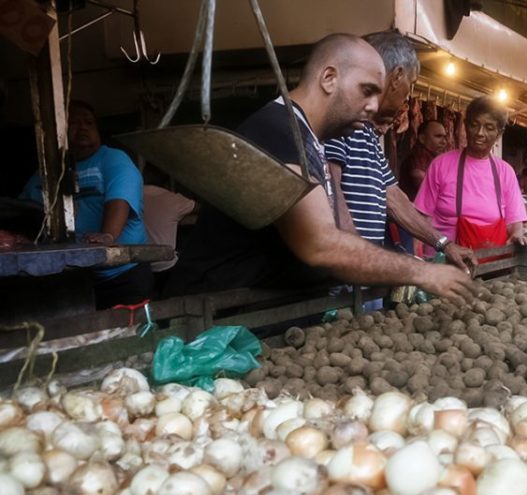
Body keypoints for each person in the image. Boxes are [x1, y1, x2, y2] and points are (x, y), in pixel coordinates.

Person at [166, 34, 476, 304]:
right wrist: (421, 271)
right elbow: (321, 245)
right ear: (329, 78)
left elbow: (386, 199)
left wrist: (436, 246)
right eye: (366, 90)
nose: (372, 106)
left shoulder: (308, 138)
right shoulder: (279, 132)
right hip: (216, 321)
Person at [325, 32, 474, 271]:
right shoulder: (341, 123)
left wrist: (443, 243)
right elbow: (331, 194)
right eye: (410, 85)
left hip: (361, 275)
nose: (407, 95)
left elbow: (394, 200)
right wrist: (356, 257)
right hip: (342, 281)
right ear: (397, 77)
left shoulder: (366, 133)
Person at [21, 100, 151, 310]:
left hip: (121, 274)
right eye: (73, 122)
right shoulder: (46, 172)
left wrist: (108, 235)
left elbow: (120, 200)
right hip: (73, 278)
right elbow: (24, 207)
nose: (82, 127)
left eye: (89, 123)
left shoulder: (113, 159)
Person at [414, 96, 527, 252]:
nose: (480, 133)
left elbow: (514, 221)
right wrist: (418, 257)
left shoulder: (505, 172)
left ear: (499, 133)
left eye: (489, 127)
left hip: (491, 261)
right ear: (466, 126)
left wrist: (517, 234)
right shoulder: (441, 165)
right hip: (443, 259)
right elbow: (422, 217)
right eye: (474, 125)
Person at [142, 166, 196, 296]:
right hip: (166, 267)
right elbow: (198, 207)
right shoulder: (173, 199)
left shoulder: (131, 195)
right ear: (167, 181)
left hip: (139, 267)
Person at [399, 120, 448, 200]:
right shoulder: (416, 158)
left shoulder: (434, 159)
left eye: (444, 137)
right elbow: (425, 185)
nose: (444, 142)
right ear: (422, 138)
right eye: (438, 136)